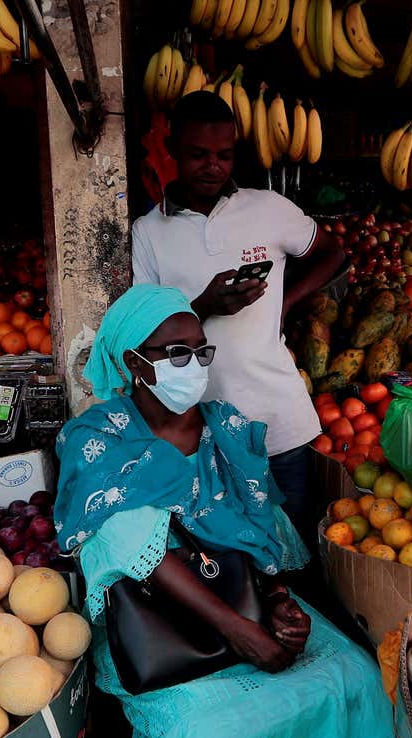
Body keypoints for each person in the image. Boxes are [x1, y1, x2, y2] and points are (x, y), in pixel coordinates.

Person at [56, 285, 393, 738]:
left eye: (200, 352)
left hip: (243, 600)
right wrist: (245, 633)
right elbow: (110, 539)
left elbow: (260, 530)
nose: (193, 366)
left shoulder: (230, 430)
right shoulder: (95, 436)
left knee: (353, 675)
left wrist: (278, 603)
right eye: (174, 353)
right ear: (135, 362)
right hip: (155, 626)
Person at [130, 91, 347, 545]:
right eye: (198, 155)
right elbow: (143, 331)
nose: (213, 166)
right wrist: (204, 305)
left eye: (224, 155)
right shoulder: (149, 232)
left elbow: (332, 255)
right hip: (200, 430)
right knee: (230, 557)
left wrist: (285, 302)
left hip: (279, 419)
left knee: (298, 552)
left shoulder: (268, 208)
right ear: (172, 151)